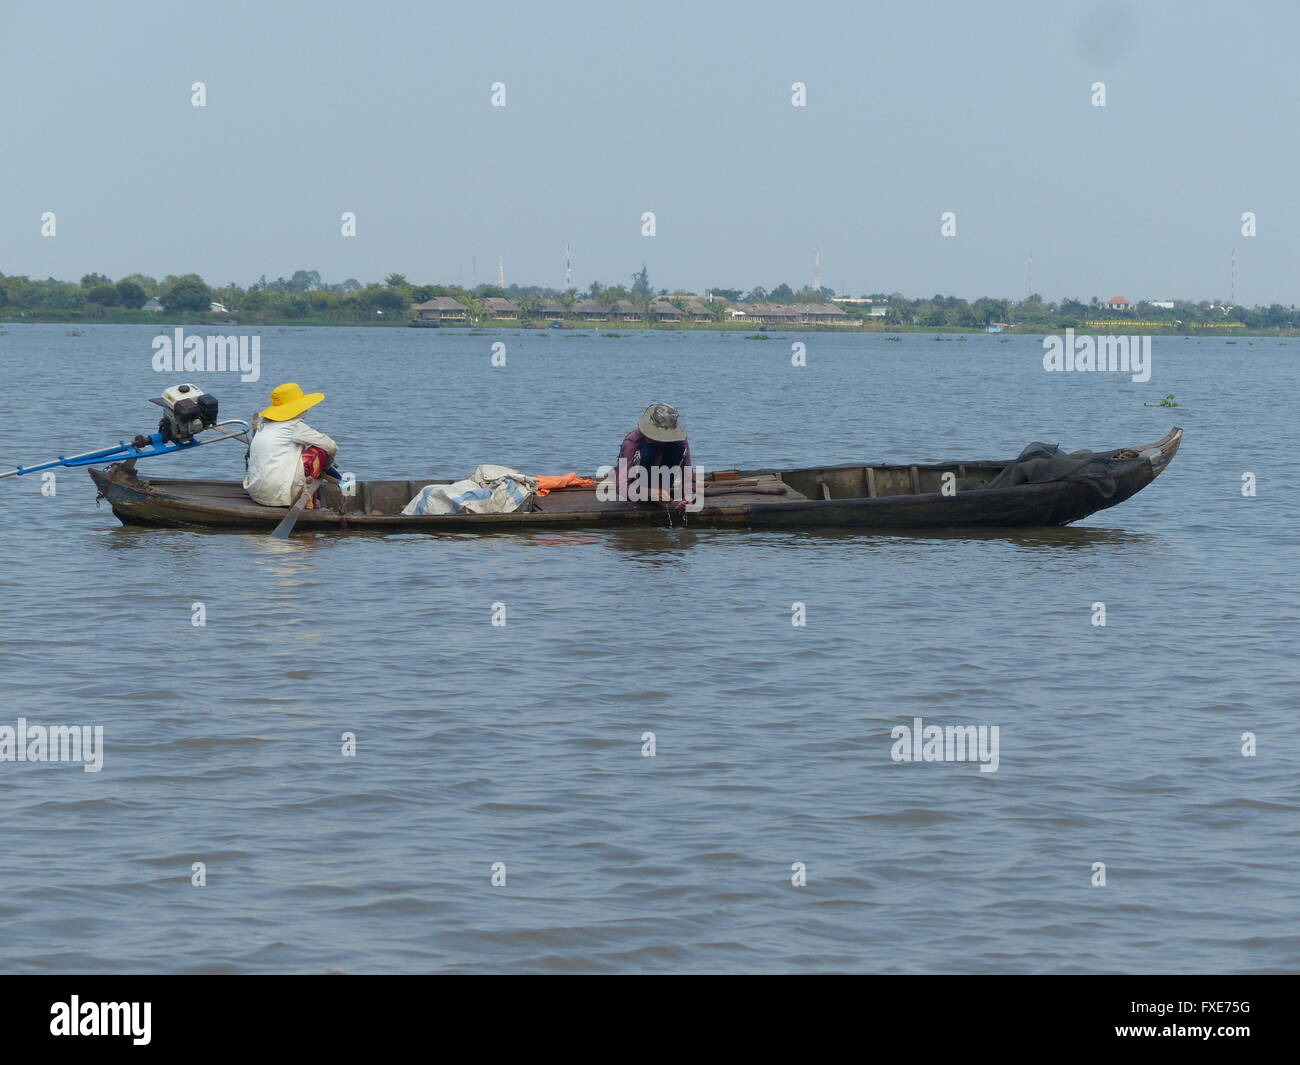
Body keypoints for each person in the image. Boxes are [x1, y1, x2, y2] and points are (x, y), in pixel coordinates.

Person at [243, 382, 339, 508]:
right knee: (319, 451)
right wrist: (326, 466)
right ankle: (309, 504)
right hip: (278, 495)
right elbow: (331, 446)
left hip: (256, 493)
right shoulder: (294, 426)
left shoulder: (264, 425)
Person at [615, 403, 694, 506]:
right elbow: (620, 486)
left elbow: (688, 476)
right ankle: (647, 498)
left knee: (678, 448)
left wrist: (689, 496)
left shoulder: (679, 440)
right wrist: (651, 492)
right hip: (638, 489)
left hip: (664, 483)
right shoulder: (632, 442)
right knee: (648, 451)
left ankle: (661, 494)